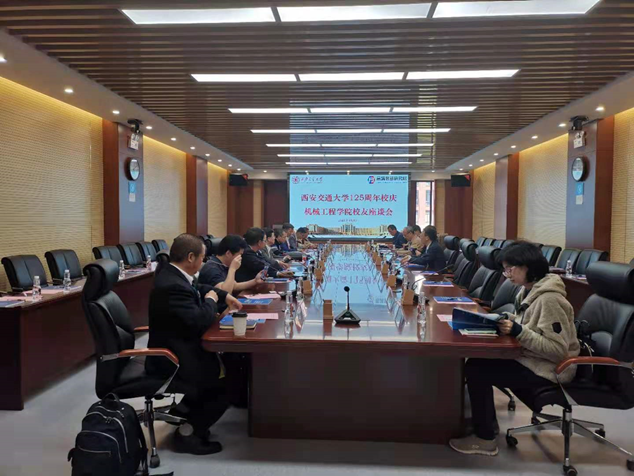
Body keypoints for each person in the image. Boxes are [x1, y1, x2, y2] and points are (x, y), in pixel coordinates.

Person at [449, 241, 580, 457]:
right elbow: (527, 321)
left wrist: (518, 330)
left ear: (527, 267)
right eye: (505, 269)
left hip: (550, 369)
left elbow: (557, 350)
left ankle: (485, 439)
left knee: (477, 369)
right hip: (530, 357)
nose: (507, 275)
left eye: (510, 269)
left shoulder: (549, 299)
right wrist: (507, 319)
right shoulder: (529, 290)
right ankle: (487, 425)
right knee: (477, 363)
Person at [146, 234, 243, 455]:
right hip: (172, 357)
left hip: (179, 346)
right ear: (191, 257)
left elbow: (199, 287)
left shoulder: (173, 275)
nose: (203, 261)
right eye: (202, 257)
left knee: (232, 365)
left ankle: (189, 412)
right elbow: (200, 320)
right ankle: (188, 433)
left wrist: (222, 296)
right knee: (231, 383)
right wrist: (211, 301)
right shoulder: (171, 285)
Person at [198, 234, 264, 293]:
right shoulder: (211, 268)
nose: (241, 258)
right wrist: (232, 269)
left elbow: (234, 286)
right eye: (240, 254)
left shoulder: (223, 265)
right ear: (228, 253)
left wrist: (255, 281)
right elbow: (225, 292)